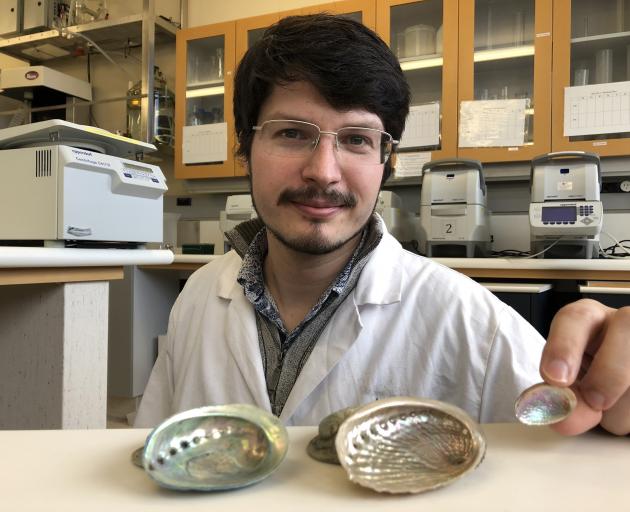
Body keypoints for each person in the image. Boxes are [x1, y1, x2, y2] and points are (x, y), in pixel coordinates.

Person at [135, 14, 629, 436]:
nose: (323, 171)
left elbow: (572, 441)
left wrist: (612, 405)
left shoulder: (471, 321)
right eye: (291, 133)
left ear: (386, 162)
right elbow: (153, 451)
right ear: (244, 147)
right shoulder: (197, 298)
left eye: (356, 139)